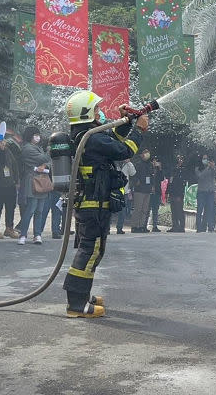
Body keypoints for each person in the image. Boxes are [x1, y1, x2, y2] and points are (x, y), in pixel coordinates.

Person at [62, 90, 147, 318]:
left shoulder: (85, 135)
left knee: (89, 250)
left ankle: (82, 296)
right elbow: (124, 151)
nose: (100, 112)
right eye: (96, 109)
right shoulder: (91, 137)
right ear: (87, 112)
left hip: (89, 205)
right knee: (90, 251)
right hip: (94, 206)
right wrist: (139, 129)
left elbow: (113, 142)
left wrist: (123, 122)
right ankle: (76, 305)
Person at [18, 126, 51, 245]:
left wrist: (46, 166)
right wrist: (49, 151)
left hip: (41, 181)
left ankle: (37, 234)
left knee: (39, 211)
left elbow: (47, 162)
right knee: (31, 209)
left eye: (38, 135)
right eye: (35, 135)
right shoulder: (27, 148)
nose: (38, 137)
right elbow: (42, 159)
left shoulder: (38, 147)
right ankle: (23, 234)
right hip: (32, 182)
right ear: (29, 136)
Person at [0, 137, 20, 239]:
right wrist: (0, 149)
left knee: (11, 208)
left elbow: (15, 165)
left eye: (3, 141)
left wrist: (16, 180)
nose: (2, 143)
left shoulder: (8, 150)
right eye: (0, 141)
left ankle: (9, 228)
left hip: (10, 184)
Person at [131, 148, 153, 233]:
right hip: (139, 190)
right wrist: (136, 182)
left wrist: (152, 186)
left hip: (147, 189)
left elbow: (151, 176)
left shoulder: (149, 165)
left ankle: (142, 226)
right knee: (138, 209)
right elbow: (133, 175)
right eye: (145, 153)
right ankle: (134, 226)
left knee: (145, 209)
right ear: (141, 154)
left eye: (148, 152)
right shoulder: (138, 164)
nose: (147, 154)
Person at [195, 154, 216, 232]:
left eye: (207, 159)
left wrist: (213, 168)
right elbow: (200, 176)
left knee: (210, 210)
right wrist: (207, 168)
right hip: (201, 192)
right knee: (200, 210)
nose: (205, 160)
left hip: (210, 192)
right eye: (204, 158)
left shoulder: (211, 168)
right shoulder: (198, 168)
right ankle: (199, 228)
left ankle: (210, 227)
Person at [115, 159, 136, 234]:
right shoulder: (114, 163)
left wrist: (129, 162)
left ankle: (119, 228)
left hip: (124, 191)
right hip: (114, 190)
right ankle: (107, 229)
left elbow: (133, 173)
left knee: (123, 210)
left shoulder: (127, 164)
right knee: (110, 210)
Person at [167, 154, 187, 232]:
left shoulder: (184, 170)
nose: (180, 160)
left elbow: (183, 183)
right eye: (178, 159)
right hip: (172, 192)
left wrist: (180, 194)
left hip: (179, 193)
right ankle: (175, 226)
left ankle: (181, 227)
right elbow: (170, 181)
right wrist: (168, 192)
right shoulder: (174, 169)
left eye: (181, 159)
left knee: (179, 210)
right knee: (174, 210)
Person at [149, 156, 164, 232]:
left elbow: (162, 179)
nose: (155, 162)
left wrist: (160, 168)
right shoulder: (149, 169)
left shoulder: (159, 170)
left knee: (155, 209)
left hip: (157, 192)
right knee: (147, 209)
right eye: (153, 161)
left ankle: (154, 226)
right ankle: (143, 225)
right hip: (149, 192)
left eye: (156, 161)